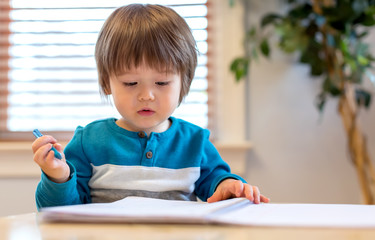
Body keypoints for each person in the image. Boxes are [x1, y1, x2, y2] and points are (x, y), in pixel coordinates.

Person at [32, 4, 269, 210]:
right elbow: (59, 213)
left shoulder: (196, 143)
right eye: (131, 83)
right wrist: (59, 177)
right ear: (107, 83)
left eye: (162, 82)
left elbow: (217, 183)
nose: (146, 95)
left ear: (183, 83)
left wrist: (229, 187)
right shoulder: (88, 142)